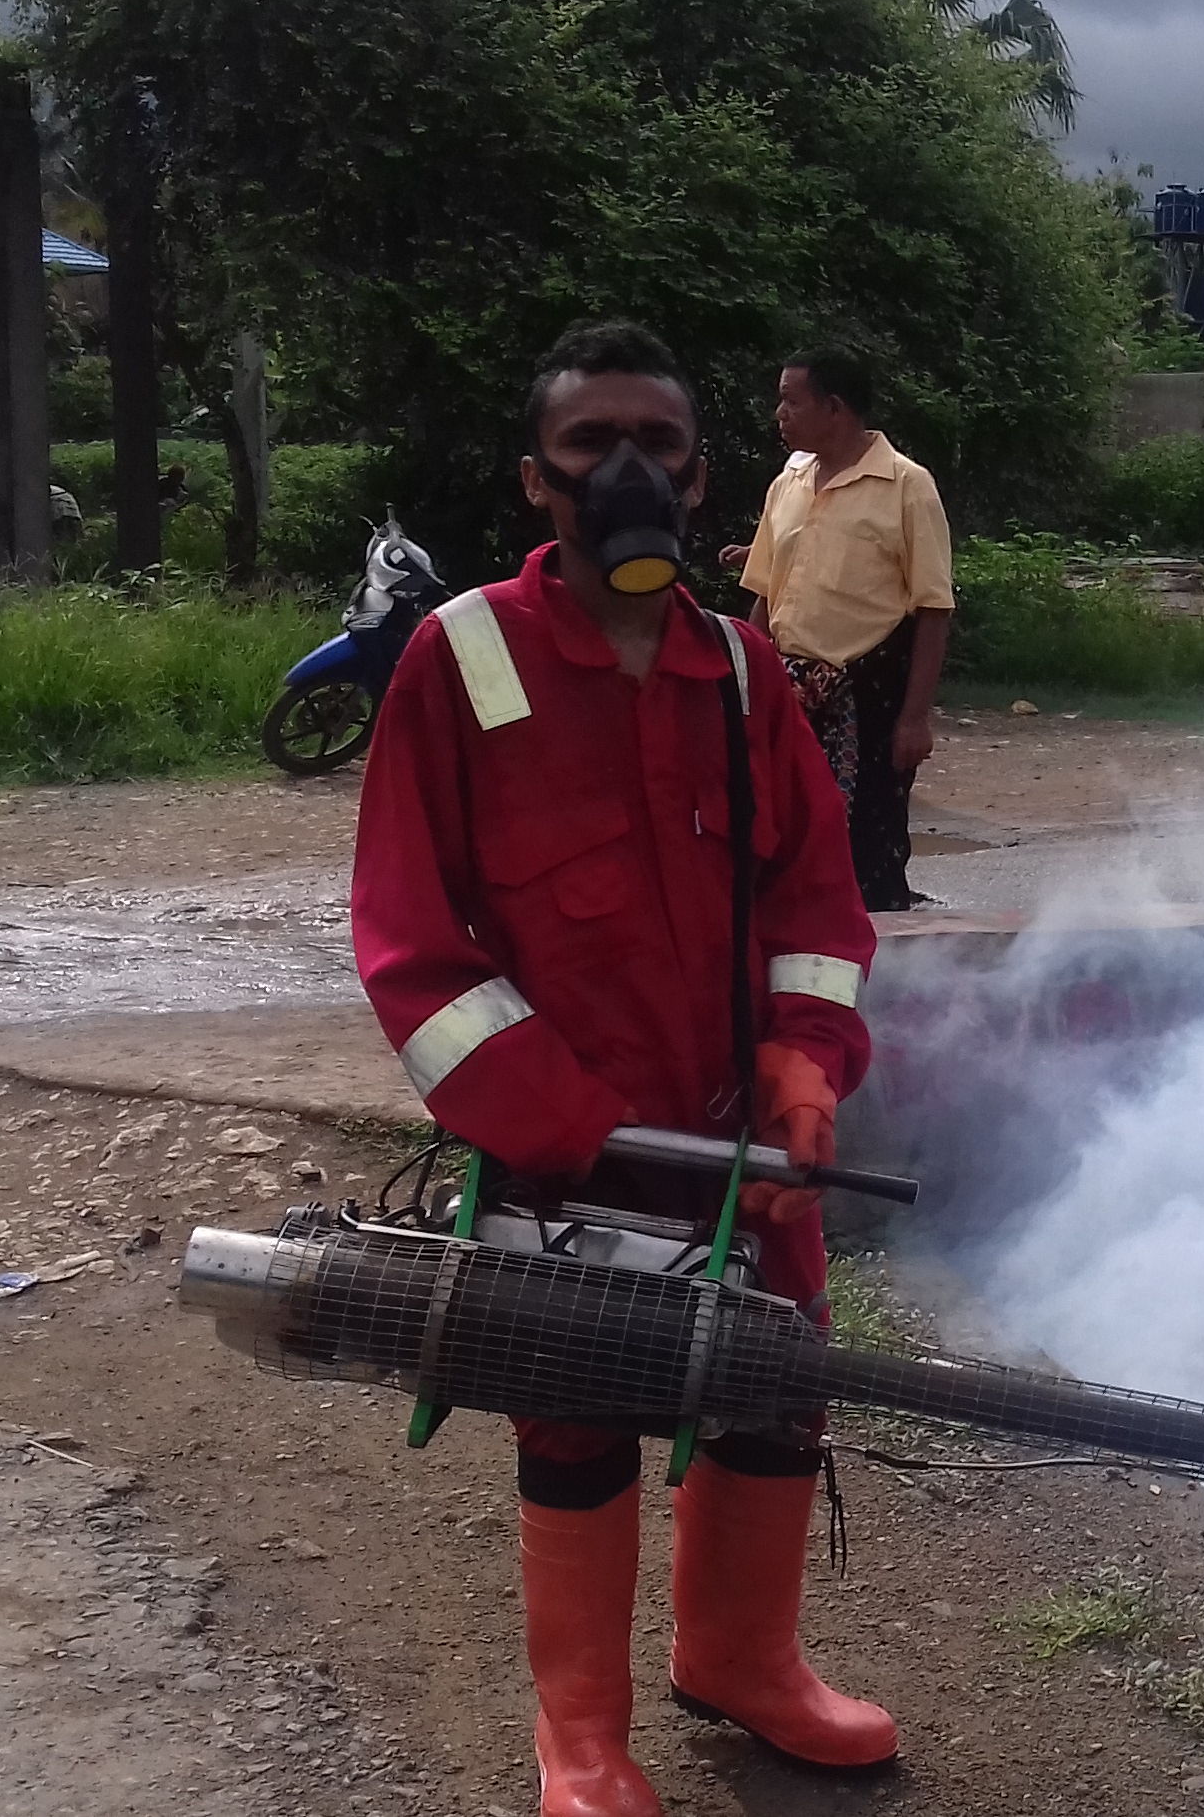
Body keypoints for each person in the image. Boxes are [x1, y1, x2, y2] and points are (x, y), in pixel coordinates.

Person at [350, 320, 898, 1814]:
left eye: (657, 443)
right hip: (566, 1141)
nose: (627, 472)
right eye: (591, 444)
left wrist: (805, 1068)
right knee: (577, 1404)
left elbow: (815, 904)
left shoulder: (742, 675)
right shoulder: (463, 661)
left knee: (776, 1380)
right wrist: (564, 1124)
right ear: (537, 480)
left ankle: (741, 1661)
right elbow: (412, 946)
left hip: (743, 1139)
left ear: (702, 474)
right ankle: (581, 1739)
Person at [720, 350, 954, 912]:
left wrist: (914, 718)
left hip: (870, 693)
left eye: (791, 401)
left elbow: (933, 608)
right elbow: (766, 592)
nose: (780, 414)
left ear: (834, 408)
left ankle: (880, 944)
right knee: (778, 834)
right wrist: (746, 686)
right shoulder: (789, 481)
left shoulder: (906, 486)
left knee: (867, 844)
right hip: (790, 691)